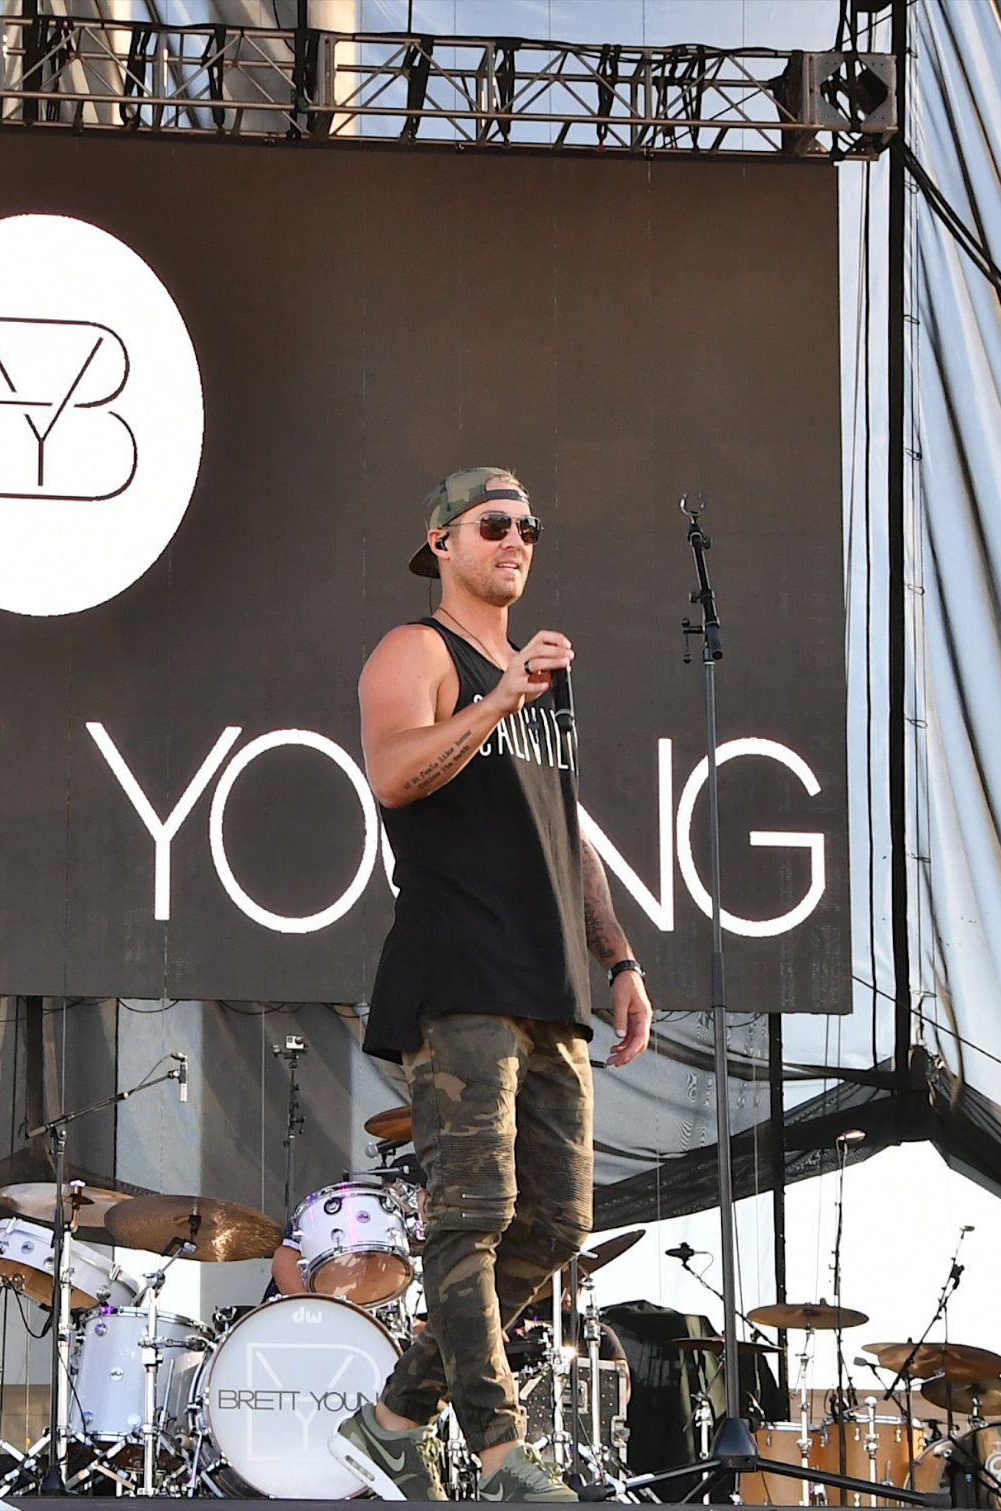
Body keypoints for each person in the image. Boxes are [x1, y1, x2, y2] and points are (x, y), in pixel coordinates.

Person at [330, 466, 652, 1503]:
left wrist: (618, 957)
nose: (516, 539)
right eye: (493, 524)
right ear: (442, 541)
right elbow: (393, 772)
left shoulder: (533, 678)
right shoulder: (415, 649)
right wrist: (496, 697)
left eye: (527, 526)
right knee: (470, 1215)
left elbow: (564, 833)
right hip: (458, 967)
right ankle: (500, 1451)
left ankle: (389, 1419)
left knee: (553, 1227)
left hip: (550, 979)